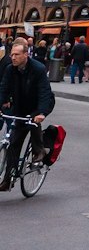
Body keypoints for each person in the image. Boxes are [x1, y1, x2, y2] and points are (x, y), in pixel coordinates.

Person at [0, 37, 52, 189]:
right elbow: (3, 88)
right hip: (21, 105)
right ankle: (7, 179)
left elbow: (44, 92)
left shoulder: (38, 69)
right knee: (13, 145)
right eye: (12, 55)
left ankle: (39, 151)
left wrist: (41, 112)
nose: (13, 57)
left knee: (33, 121)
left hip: (39, 104)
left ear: (25, 55)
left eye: (16, 55)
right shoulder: (11, 69)